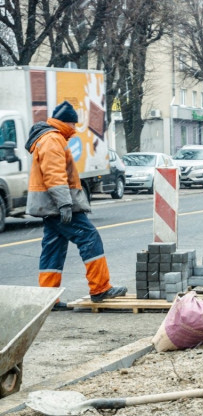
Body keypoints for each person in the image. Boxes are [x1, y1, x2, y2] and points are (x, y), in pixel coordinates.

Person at [26, 101, 127, 310]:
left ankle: (47, 298)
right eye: (73, 124)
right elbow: (54, 174)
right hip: (58, 205)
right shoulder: (53, 139)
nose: (74, 128)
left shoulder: (49, 138)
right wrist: (65, 204)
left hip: (51, 207)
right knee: (89, 237)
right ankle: (100, 288)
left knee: (53, 249)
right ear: (66, 122)